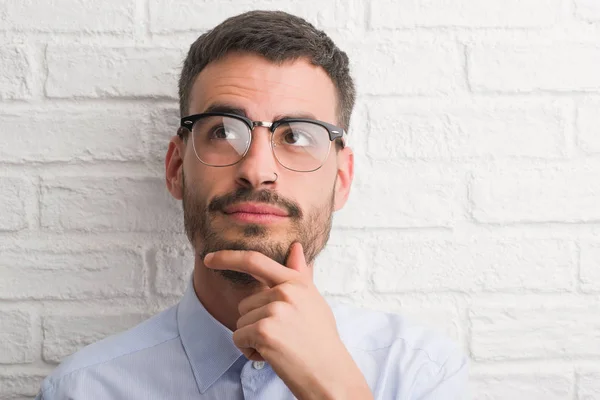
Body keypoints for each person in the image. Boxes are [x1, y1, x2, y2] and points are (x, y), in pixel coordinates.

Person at [35, 10, 468, 399]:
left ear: (341, 180)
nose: (257, 170)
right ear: (175, 169)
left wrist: (335, 389)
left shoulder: (420, 373)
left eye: (297, 136)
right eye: (223, 131)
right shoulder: (83, 390)